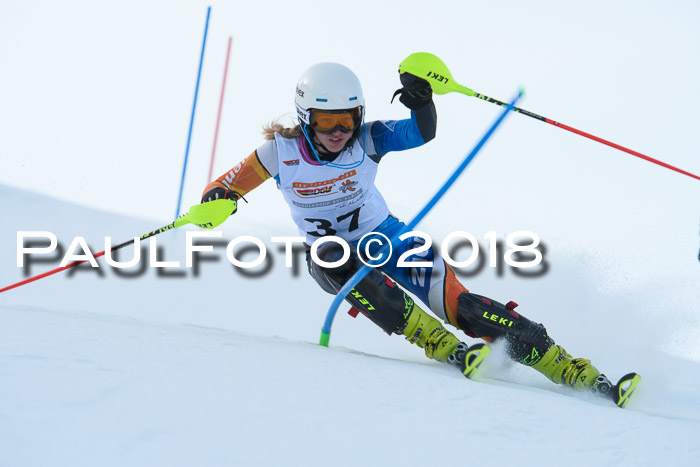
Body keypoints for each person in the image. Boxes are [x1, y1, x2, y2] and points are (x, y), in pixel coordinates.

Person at [201, 62, 614, 397]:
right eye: (327, 121)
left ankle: (566, 365)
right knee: (329, 257)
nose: (339, 132)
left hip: (390, 238)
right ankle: (436, 341)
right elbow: (224, 185)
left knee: (463, 308)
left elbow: (421, 132)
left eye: (347, 119)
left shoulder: (369, 138)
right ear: (306, 118)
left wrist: (422, 102)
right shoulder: (279, 152)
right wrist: (218, 199)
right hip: (332, 254)